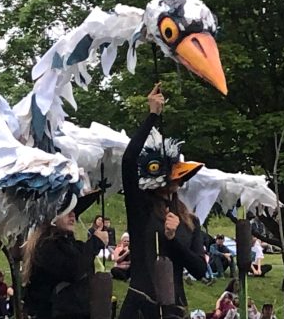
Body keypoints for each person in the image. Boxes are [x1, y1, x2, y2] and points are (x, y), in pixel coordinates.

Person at [119, 84, 207, 319]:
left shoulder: (189, 220)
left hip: (174, 308)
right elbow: (128, 161)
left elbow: (200, 270)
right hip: (140, 306)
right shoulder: (142, 208)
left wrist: (173, 240)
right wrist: (152, 116)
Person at [23, 196, 108, 319]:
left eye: (74, 211)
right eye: (67, 211)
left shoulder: (72, 244)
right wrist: (95, 242)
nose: (73, 215)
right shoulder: (45, 246)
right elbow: (73, 270)